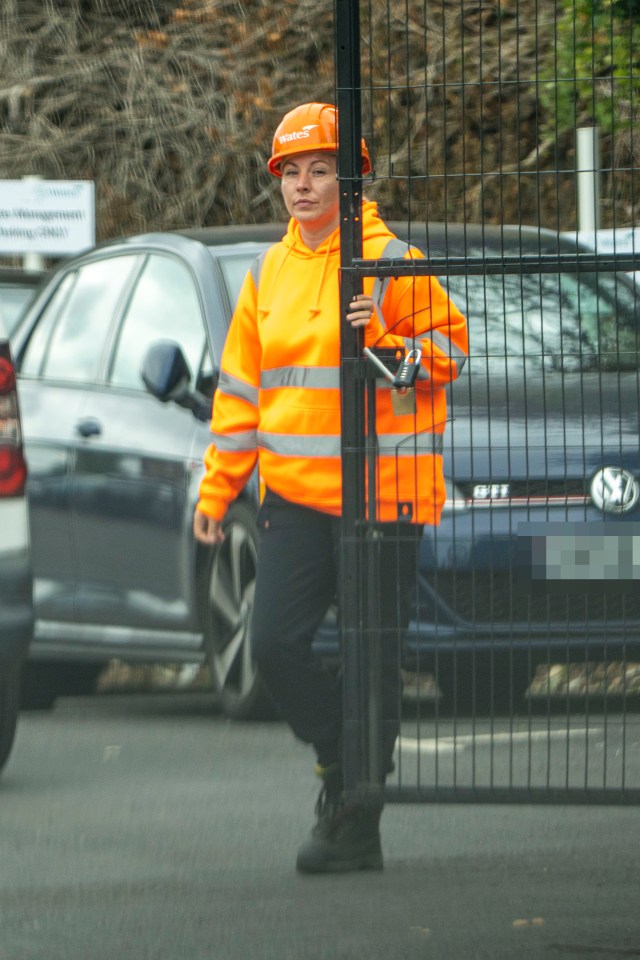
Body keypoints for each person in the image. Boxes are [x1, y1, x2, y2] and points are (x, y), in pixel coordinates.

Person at [193, 102, 468, 874]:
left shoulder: (390, 259)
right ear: (278, 183)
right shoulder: (266, 275)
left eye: (322, 171)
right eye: (293, 173)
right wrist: (217, 495)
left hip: (383, 497)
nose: (305, 186)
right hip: (296, 501)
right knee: (276, 643)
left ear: (354, 180)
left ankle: (355, 822)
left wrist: (385, 338)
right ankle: (342, 762)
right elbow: (241, 397)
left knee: (372, 658)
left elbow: (452, 349)